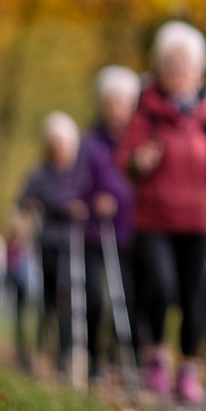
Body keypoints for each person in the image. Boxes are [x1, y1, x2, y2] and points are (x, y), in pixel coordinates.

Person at [118, 22, 206, 404]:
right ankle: (157, 356)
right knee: (160, 287)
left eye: (186, 62)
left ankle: (189, 369)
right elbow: (125, 158)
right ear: (159, 69)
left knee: (196, 294)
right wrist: (137, 161)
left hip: (202, 219)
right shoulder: (145, 112)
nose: (179, 69)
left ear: (200, 69)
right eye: (171, 62)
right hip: (155, 219)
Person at [73, 66, 141, 369]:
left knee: (129, 295)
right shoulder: (90, 143)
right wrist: (92, 200)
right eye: (113, 102)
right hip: (95, 231)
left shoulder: (137, 141)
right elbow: (76, 182)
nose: (118, 110)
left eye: (125, 103)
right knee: (96, 297)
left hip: (131, 230)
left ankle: (123, 354)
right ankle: (93, 357)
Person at [17, 111, 84, 373]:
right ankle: (39, 350)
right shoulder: (39, 174)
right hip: (46, 244)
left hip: (73, 246)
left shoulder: (78, 175)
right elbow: (25, 199)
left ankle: (64, 354)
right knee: (44, 299)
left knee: (67, 298)